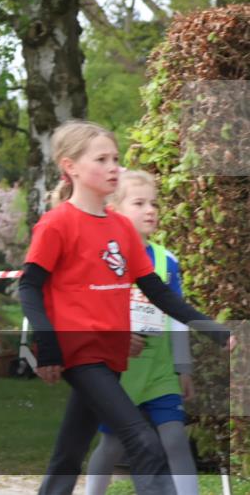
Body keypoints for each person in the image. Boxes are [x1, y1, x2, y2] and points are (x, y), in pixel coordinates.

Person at [18, 120, 232, 495]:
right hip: (79, 351)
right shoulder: (56, 224)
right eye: (102, 159)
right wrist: (48, 344)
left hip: (113, 355)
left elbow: (159, 292)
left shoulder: (120, 228)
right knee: (143, 441)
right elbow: (29, 287)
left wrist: (211, 329)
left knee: (69, 455)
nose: (114, 166)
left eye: (116, 158)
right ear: (71, 167)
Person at [85, 170, 198, 495]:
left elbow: (178, 317)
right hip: (120, 375)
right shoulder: (106, 259)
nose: (150, 210)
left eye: (154, 203)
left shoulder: (167, 261)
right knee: (112, 445)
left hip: (160, 373)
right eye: (139, 203)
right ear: (115, 210)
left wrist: (183, 367)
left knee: (176, 439)